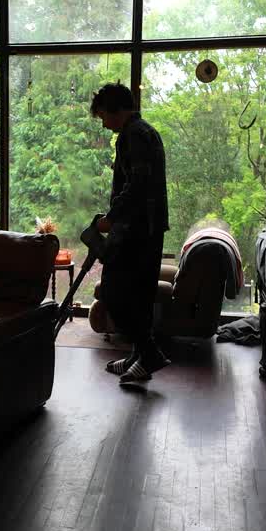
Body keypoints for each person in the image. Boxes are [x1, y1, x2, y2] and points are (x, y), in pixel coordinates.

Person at [90, 83, 169, 388]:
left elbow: (136, 186)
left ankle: (148, 354)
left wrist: (111, 218)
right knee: (140, 296)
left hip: (135, 230)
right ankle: (139, 356)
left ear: (115, 109)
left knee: (114, 291)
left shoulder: (132, 135)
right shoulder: (146, 131)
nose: (104, 123)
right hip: (148, 227)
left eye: (103, 117)